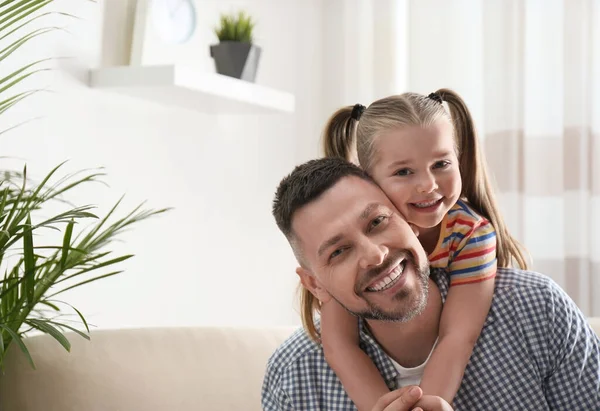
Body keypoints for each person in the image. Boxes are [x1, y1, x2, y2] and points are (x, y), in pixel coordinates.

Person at [262, 156, 600, 410]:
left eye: (378, 222)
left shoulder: (538, 310)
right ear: (314, 284)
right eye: (338, 252)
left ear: (410, 220)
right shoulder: (295, 374)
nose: (375, 255)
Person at [317, 89, 527, 410]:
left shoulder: (471, 234)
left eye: (441, 163)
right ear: (367, 178)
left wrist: (424, 406)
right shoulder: (352, 244)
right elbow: (340, 345)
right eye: (404, 171)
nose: (428, 184)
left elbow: (458, 335)